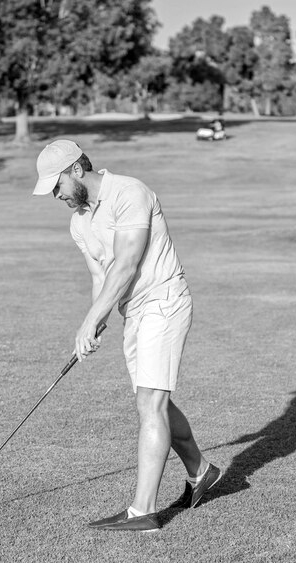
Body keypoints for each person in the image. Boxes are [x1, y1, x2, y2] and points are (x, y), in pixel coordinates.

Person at [32, 139, 221, 532]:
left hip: (163, 301)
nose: (55, 194)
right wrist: (95, 324)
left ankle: (143, 512)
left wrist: (88, 322)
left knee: (149, 403)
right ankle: (201, 471)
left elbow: (127, 265)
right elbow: (101, 278)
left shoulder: (130, 192)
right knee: (155, 402)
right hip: (133, 313)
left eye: (57, 185)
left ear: (76, 171)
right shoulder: (79, 221)